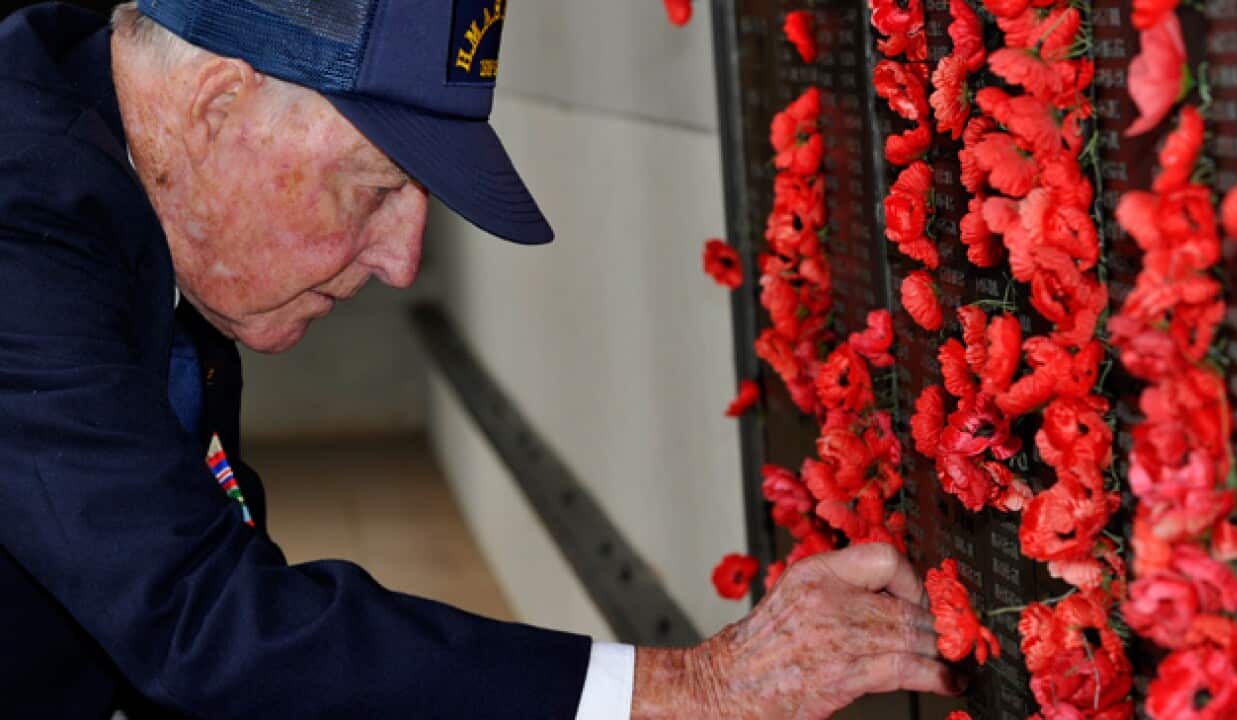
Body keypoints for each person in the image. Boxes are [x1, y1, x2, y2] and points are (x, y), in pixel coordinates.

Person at [0, 1, 960, 717]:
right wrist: (697, 689)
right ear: (219, 104)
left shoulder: (140, 195)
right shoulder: (19, 215)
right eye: (376, 189)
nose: (401, 260)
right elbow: (199, 622)